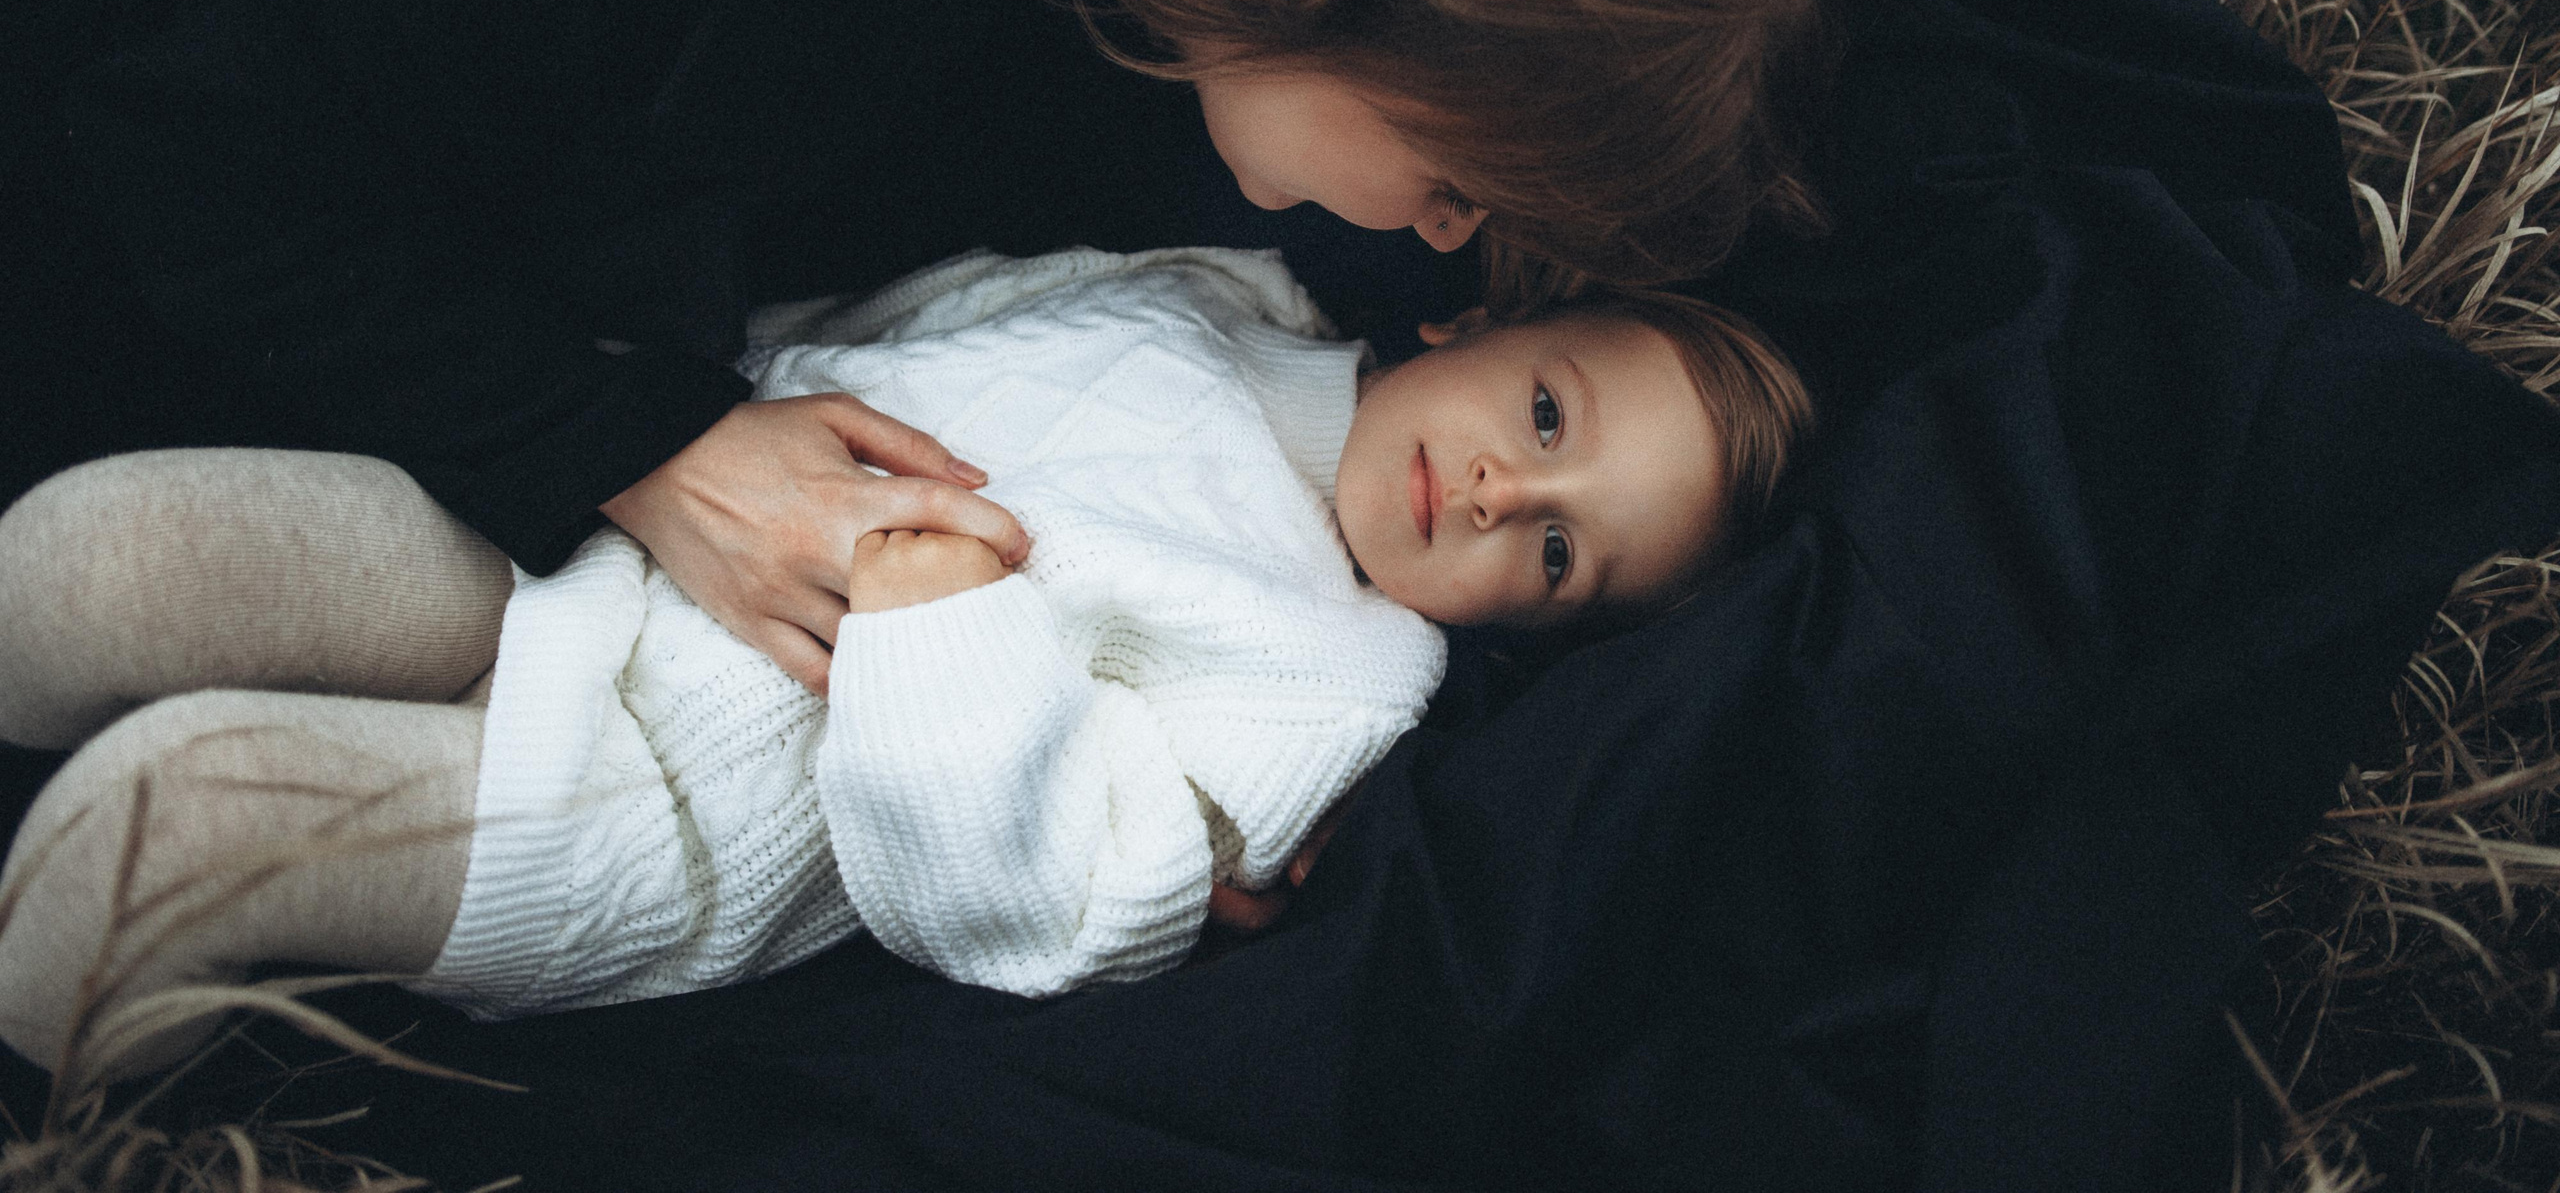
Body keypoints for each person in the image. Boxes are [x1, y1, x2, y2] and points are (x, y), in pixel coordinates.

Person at [0, 0, 1840, 707]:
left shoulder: (1228, 69)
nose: (1446, 235)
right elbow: (193, 159)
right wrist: (649, 450)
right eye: (1457, 180)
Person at [0, 245, 1813, 1088]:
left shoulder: (1336, 680)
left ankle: (53, 1086)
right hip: (587, 558)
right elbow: (887, 328)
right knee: (103, 556)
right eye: (1547, 416)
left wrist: (945, 630)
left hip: (662, 808)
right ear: (1484, 317)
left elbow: (1053, 909)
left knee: (169, 812)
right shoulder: (1214, 291)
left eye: (1556, 556)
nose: (1501, 493)